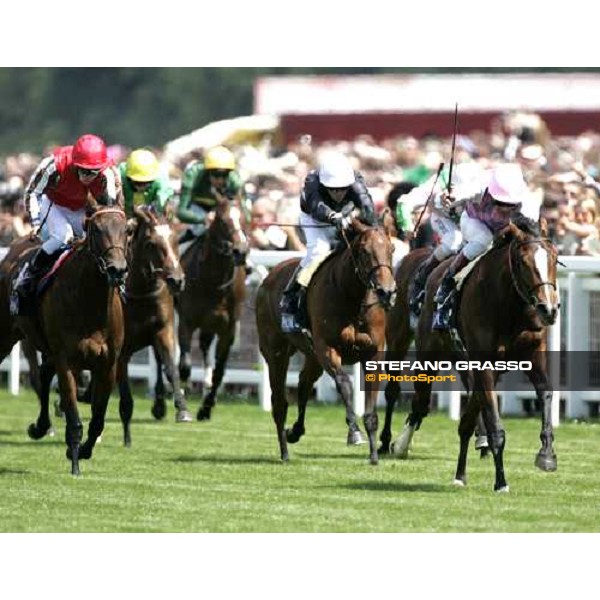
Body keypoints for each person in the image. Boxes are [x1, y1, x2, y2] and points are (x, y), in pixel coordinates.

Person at [15, 134, 121, 299]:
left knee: (95, 240)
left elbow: (111, 209)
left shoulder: (110, 173)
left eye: (93, 172)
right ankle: (29, 274)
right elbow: (32, 192)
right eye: (83, 170)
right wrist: (35, 222)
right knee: (62, 237)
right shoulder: (54, 164)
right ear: (74, 163)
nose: (88, 177)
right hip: (53, 203)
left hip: (80, 207)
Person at [280, 152, 376, 332]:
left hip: (345, 215)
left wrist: (374, 230)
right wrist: (333, 216)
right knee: (318, 251)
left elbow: (367, 206)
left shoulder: (356, 180)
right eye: (333, 189)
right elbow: (317, 207)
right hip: (314, 219)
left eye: (343, 189)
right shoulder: (312, 182)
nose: (339, 193)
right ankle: (290, 298)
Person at [431, 163, 533, 330]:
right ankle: (448, 281)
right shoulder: (478, 187)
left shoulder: (528, 202)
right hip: (474, 221)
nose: (505, 209)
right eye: (500, 202)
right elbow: (446, 199)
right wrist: (444, 198)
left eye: (511, 205)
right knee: (483, 239)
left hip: (506, 229)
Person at [406, 162, 484, 318]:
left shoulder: (481, 188)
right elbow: (414, 202)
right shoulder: (442, 191)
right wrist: (408, 225)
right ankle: (422, 277)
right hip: (443, 220)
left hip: (467, 221)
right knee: (454, 241)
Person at [176, 145, 249, 269]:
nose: (220, 180)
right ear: (207, 171)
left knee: (236, 233)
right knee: (198, 230)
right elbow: (181, 212)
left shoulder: (235, 182)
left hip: (224, 209)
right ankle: (178, 261)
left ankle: (246, 265)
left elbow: (246, 215)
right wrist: (203, 219)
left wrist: (237, 226)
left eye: (225, 175)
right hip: (198, 208)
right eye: (216, 175)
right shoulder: (193, 175)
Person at [120, 148, 174, 217]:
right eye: (138, 182)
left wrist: (159, 206)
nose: (141, 187)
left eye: (146, 183)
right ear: (128, 176)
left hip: (151, 212)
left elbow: (163, 198)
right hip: (125, 213)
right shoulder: (120, 174)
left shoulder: (161, 180)